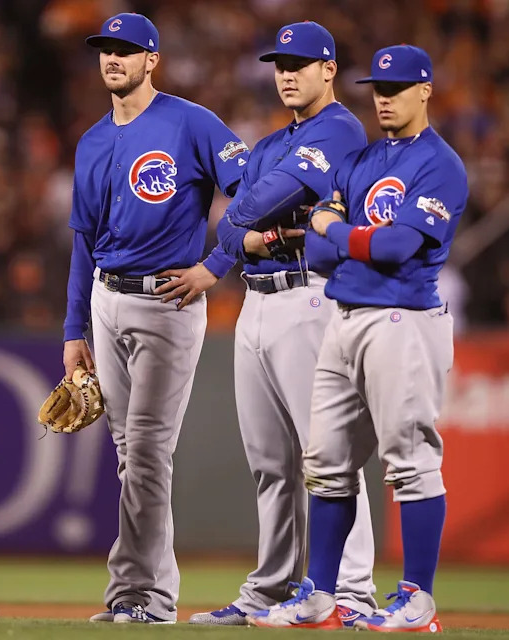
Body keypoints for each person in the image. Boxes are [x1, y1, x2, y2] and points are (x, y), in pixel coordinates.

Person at [249, 44, 467, 632]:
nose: (384, 98)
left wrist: (337, 227)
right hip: (343, 317)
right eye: (378, 89)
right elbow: (321, 253)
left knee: (411, 463)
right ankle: (320, 595)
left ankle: (418, 600)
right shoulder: (363, 159)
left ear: (425, 90)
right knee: (325, 463)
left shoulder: (439, 164)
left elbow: (396, 247)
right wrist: (349, 236)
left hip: (404, 321)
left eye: (396, 89)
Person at [184, 22, 376, 627]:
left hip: (310, 298)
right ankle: (271, 589)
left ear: (328, 69)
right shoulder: (271, 143)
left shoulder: (340, 129)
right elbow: (233, 226)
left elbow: (249, 208)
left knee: (328, 453)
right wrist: (251, 236)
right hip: (257, 303)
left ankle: (351, 592)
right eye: (280, 64)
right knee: (269, 463)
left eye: (300, 63)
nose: (287, 74)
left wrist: (246, 229)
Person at [63, 13, 248, 624]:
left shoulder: (191, 122)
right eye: (105, 50)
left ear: (152, 60)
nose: (113, 59)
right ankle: (144, 595)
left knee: (145, 451)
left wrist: (215, 265)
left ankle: (141, 595)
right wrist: (73, 330)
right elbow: (83, 242)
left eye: (126, 50)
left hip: (169, 300)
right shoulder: (92, 140)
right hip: (106, 297)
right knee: (131, 455)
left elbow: (251, 193)